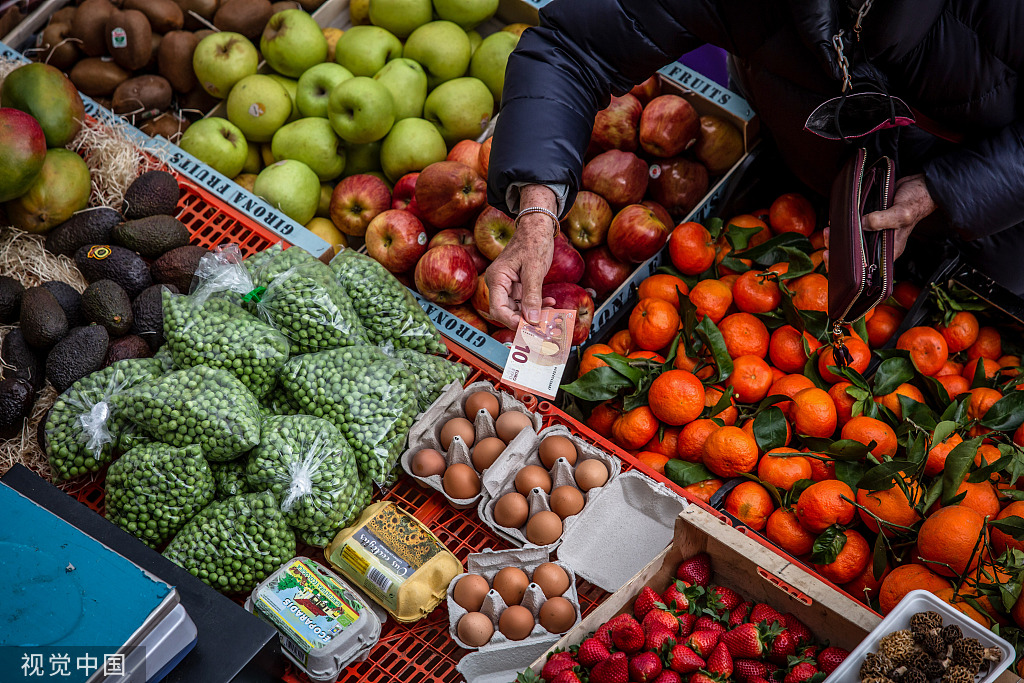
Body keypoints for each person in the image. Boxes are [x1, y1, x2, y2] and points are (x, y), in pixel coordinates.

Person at [484, 0, 1024, 330]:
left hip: (997, 223)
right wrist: (536, 205)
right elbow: (573, 47)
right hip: (810, 181)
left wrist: (948, 189)